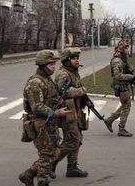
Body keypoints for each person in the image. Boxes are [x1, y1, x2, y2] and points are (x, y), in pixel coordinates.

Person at [19, 50, 70, 186]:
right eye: (51, 64)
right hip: (39, 123)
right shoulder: (35, 82)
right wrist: (56, 113)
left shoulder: (47, 80)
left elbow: (50, 99)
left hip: (49, 123)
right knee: (47, 154)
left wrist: (59, 101)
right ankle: (42, 181)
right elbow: (36, 106)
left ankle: (28, 174)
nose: (54, 66)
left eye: (54, 63)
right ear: (42, 65)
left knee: (54, 152)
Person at [50, 47, 90, 178]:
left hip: (76, 110)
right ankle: (51, 163)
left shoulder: (73, 72)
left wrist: (86, 101)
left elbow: (76, 88)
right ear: (67, 60)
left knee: (77, 139)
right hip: (67, 112)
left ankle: (72, 167)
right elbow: (65, 92)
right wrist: (82, 90)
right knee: (72, 140)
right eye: (74, 58)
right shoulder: (63, 74)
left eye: (77, 58)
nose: (77, 60)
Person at [104, 40, 135, 137]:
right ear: (121, 49)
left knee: (125, 105)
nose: (128, 49)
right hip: (121, 87)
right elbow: (117, 76)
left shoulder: (123, 58)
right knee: (126, 106)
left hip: (124, 86)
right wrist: (130, 77)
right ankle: (121, 129)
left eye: (128, 47)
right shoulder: (117, 61)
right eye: (126, 47)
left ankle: (110, 120)